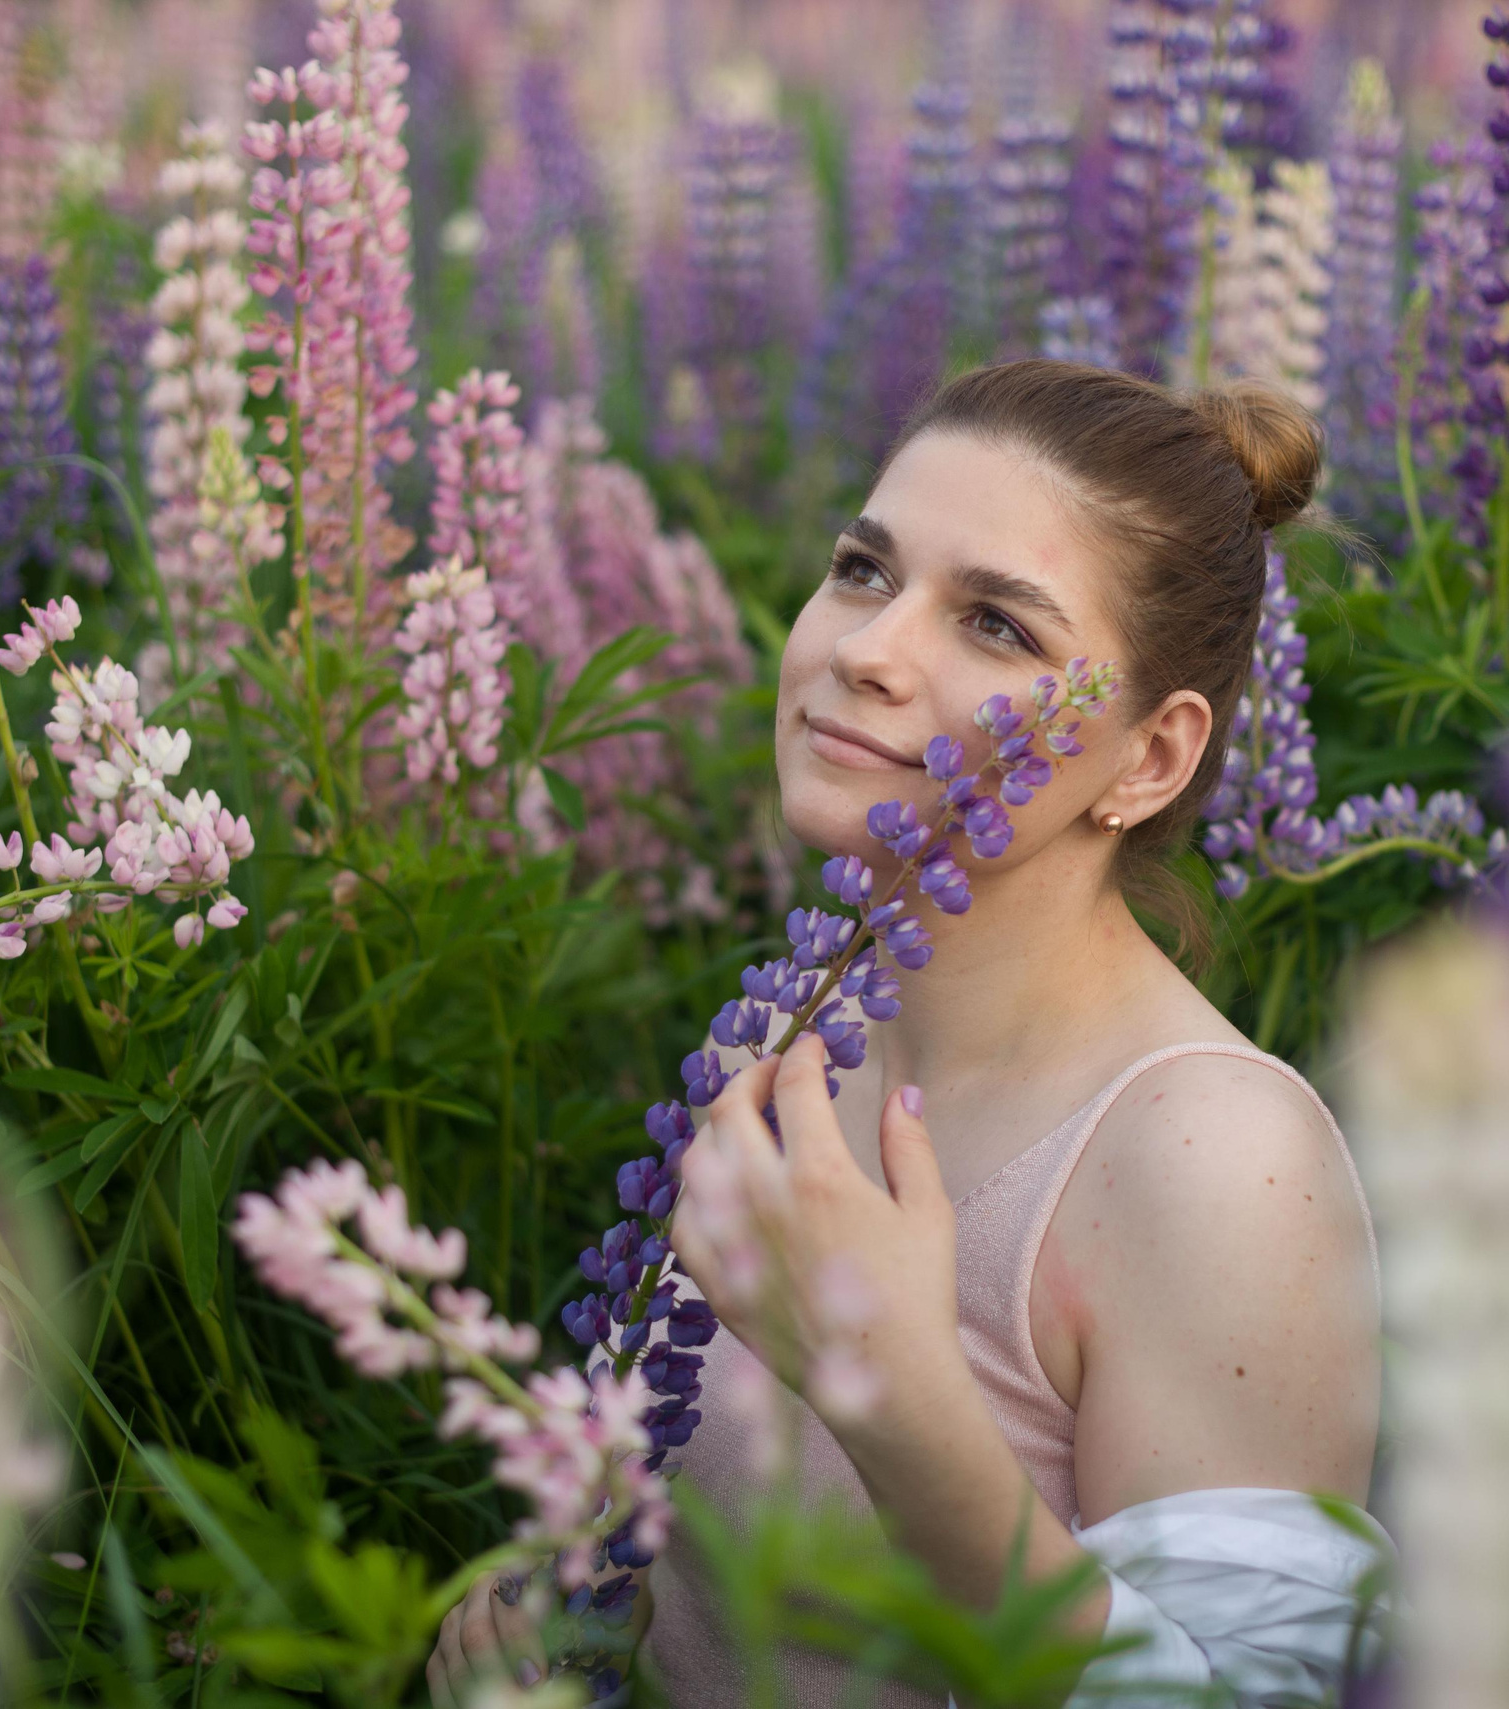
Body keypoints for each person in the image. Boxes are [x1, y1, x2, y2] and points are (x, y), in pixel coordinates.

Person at [430, 361, 1386, 1706]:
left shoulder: (1217, 1157)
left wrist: (897, 1396)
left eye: (996, 624)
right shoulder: (788, 1026)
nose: (865, 649)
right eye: (864, 570)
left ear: (1154, 757)